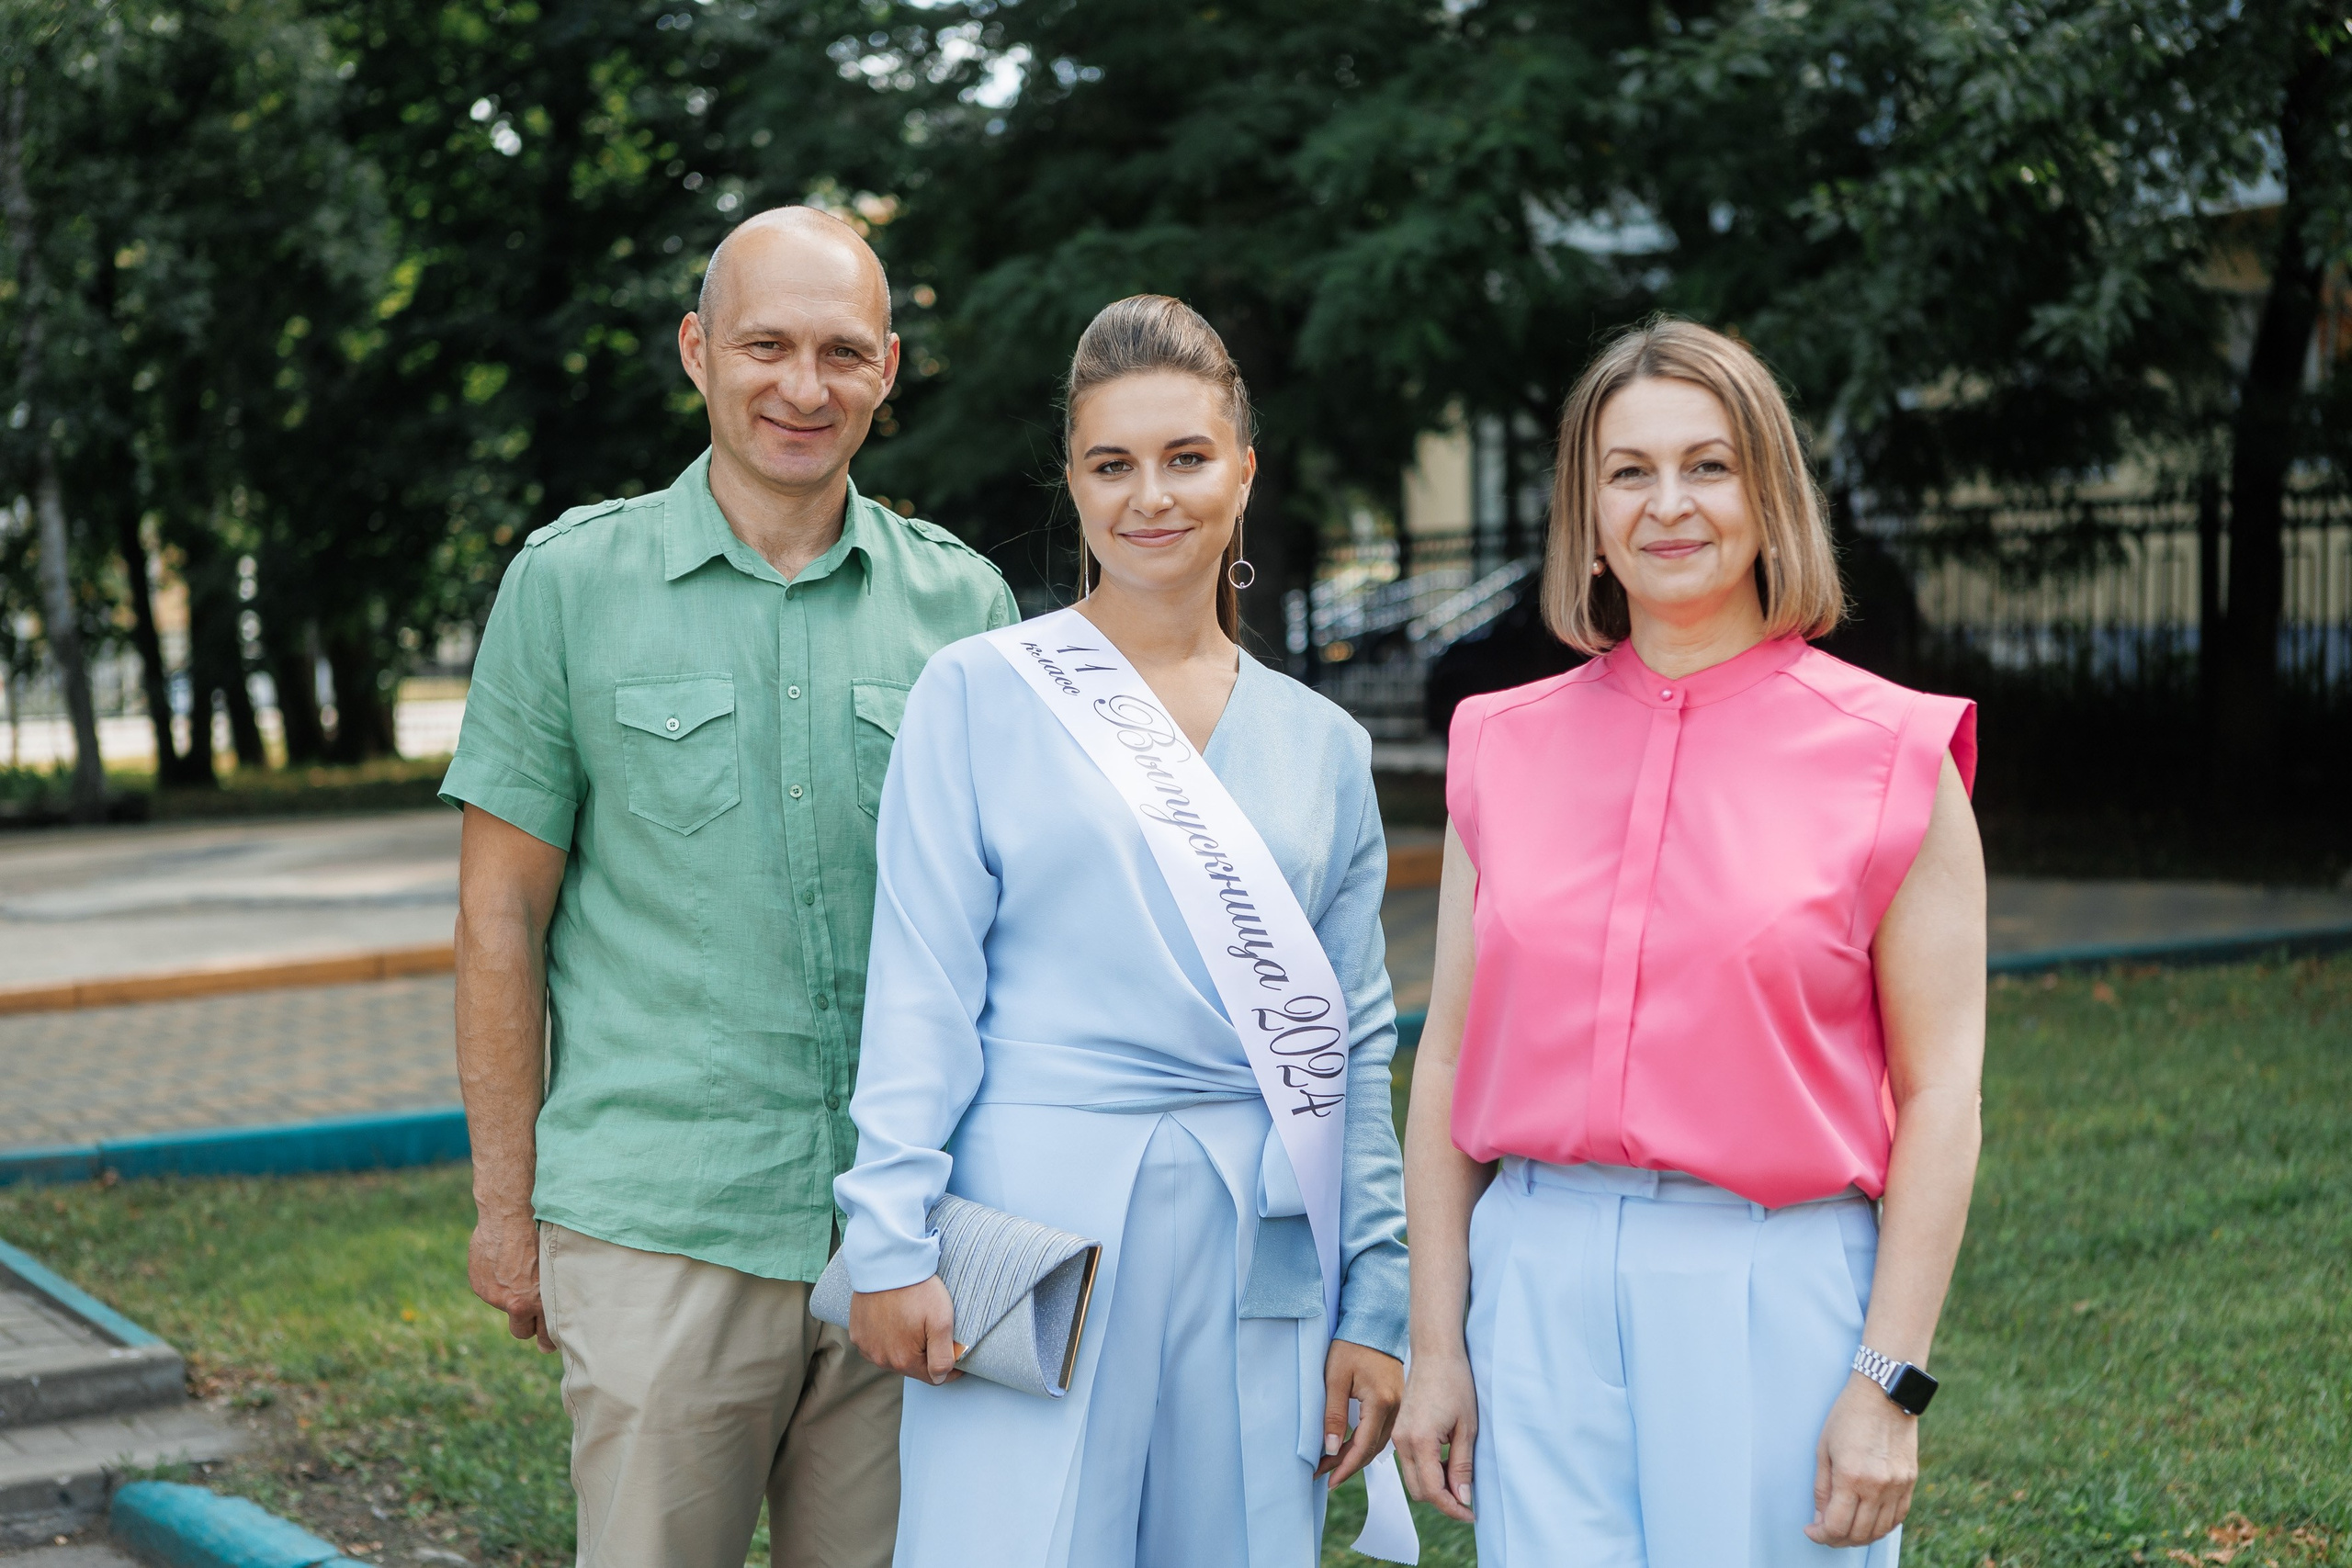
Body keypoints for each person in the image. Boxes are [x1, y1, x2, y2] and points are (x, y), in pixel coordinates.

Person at [441, 206, 1017, 1568]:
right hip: (663, 1228)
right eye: (766, 346)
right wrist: (506, 1213)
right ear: (699, 350)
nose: (803, 388)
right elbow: (498, 920)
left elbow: (1015, 937)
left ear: (887, 368)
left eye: (841, 353)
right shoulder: (570, 586)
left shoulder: (966, 611)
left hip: (905, 1235)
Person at [1394, 318, 1985, 1565]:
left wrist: (1890, 1383)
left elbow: (1942, 1095)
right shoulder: (1499, 744)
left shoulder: (1894, 753)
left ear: (1769, 496)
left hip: (1773, 1282)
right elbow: (1445, 1061)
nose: (1669, 504)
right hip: (1535, 1275)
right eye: (1629, 472)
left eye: (1708, 466)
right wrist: (1436, 1345)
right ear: (1588, 514)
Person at [831, 295, 1409, 1568]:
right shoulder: (978, 692)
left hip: (1259, 1230)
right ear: (1076, 483)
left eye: (1186, 458)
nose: (1152, 496)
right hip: (1034, 1216)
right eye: (1112, 465)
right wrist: (888, 1240)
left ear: (1243, 471)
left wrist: (1378, 1299)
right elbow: (920, 988)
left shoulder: (1323, 745)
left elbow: (1354, 1045)